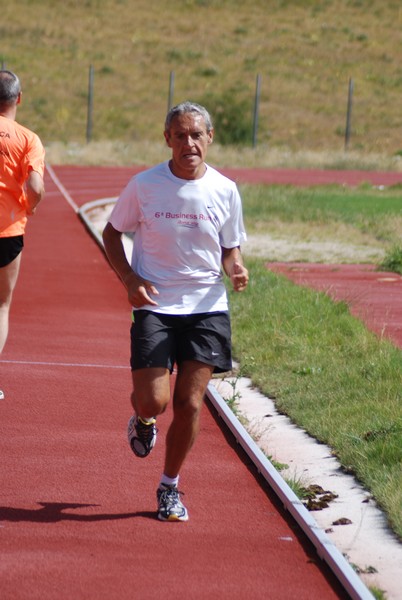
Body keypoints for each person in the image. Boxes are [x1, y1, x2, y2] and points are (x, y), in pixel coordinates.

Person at [102, 101, 249, 521]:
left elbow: (229, 246)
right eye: (180, 135)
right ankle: (143, 420)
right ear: (167, 139)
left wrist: (235, 266)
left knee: (189, 403)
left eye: (196, 135)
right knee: (155, 400)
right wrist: (130, 281)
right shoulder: (144, 185)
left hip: (207, 306)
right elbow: (112, 234)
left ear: (210, 138)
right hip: (156, 303)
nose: (189, 143)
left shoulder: (225, 189)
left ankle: (169, 487)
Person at [0, 70, 45, 399]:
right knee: (1, 305)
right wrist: (31, 206)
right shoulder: (28, 139)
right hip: (8, 230)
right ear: (18, 99)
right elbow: (35, 185)